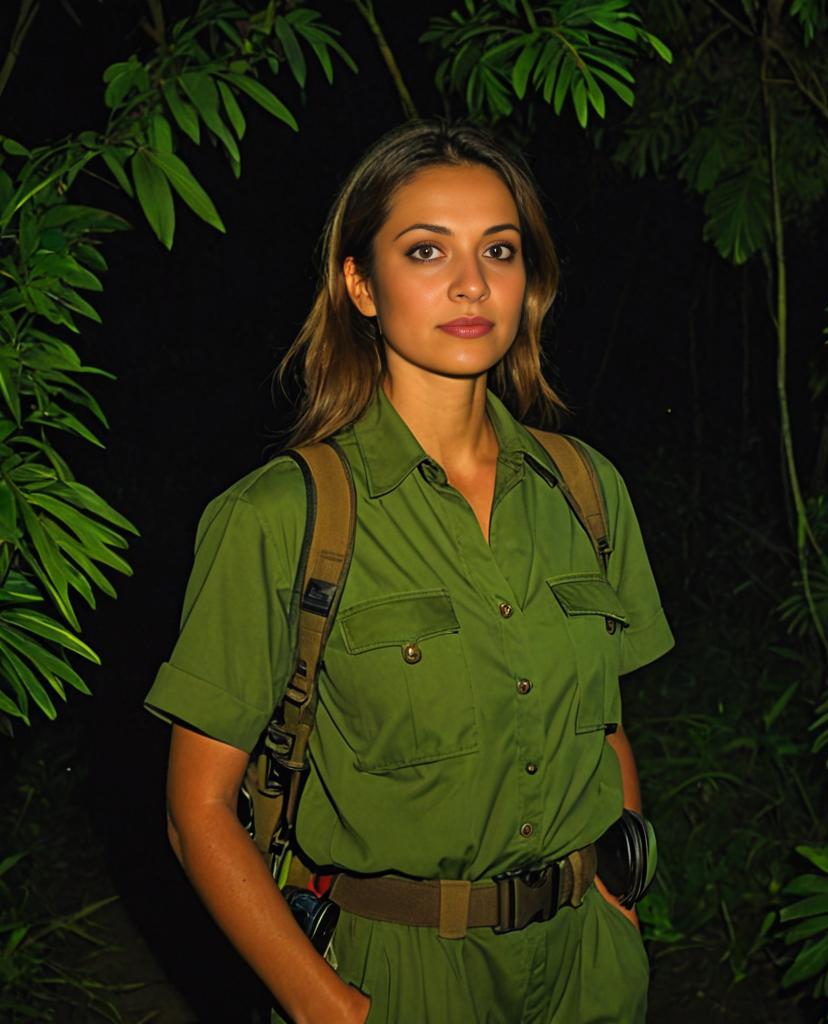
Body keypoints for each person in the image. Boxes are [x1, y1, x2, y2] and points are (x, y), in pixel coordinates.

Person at [146, 119, 674, 1024]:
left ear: (528, 282)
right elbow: (197, 811)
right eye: (427, 250)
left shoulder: (585, 489)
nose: (471, 283)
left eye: (499, 250)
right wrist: (325, 1006)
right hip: (399, 978)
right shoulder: (281, 517)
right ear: (360, 283)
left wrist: (621, 894)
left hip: (588, 967)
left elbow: (605, 729)